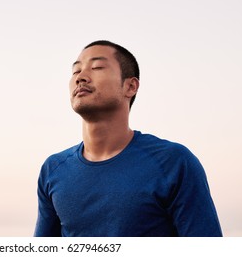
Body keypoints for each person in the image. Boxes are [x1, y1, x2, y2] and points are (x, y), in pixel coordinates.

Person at [34, 40, 222, 237]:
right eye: (75, 71)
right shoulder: (53, 169)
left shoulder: (173, 162)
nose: (81, 77)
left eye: (97, 67)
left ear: (130, 86)